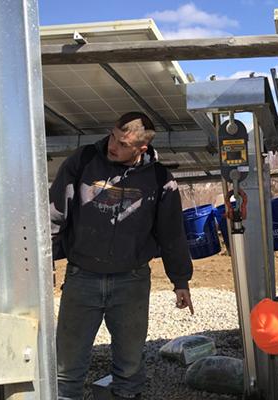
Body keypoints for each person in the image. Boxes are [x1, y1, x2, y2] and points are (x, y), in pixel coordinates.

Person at [50, 112, 194, 400]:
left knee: (129, 368)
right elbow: (54, 214)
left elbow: (172, 234)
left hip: (132, 281)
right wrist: (45, 263)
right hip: (82, 278)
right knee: (66, 368)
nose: (112, 146)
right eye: (112, 137)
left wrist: (180, 281)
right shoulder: (83, 161)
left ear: (141, 148)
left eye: (123, 144)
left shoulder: (160, 180)